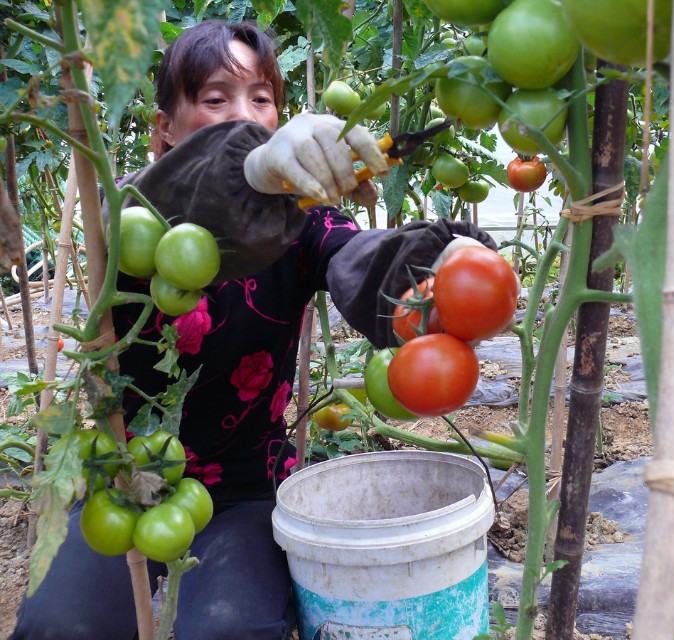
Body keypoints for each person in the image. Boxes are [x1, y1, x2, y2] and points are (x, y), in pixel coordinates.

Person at [12, 19, 496, 640]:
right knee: (59, 630)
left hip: (245, 491)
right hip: (123, 475)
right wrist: (249, 164)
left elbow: (355, 258)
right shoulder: (135, 211)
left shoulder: (302, 225)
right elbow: (162, 201)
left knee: (230, 630)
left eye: (261, 100)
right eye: (216, 99)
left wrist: (443, 270)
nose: (244, 116)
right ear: (164, 129)